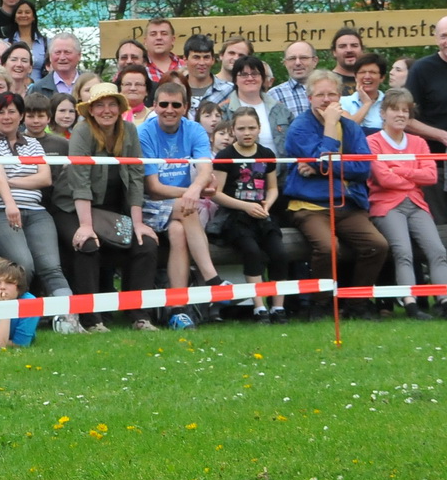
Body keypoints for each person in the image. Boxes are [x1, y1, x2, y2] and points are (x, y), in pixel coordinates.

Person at [51, 82, 159, 332]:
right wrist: (86, 226)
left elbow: (135, 177)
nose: (106, 110)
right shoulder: (82, 131)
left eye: (112, 104)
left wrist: (139, 224)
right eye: (99, 105)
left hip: (112, 210)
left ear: (120, 108)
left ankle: (139, 316)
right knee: (87, 245)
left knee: (146, 244)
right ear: (91, 109)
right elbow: (80, 180)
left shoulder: (130, 130)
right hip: (72, 208)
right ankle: (92, 320)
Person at [282, 70, 387, 302]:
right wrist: (330, 125)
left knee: (377, 245)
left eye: (332, 94)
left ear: (340, 97)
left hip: (347, 205)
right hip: (309, 206)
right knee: (329, 248)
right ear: (310, 98)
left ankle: (356, 303)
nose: (327, 100)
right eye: (320, 94)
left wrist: (321, 168)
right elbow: (325, 162)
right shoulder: (299, 127)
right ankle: (321, 304)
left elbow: (363, 169)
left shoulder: (351, 127)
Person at [0, 92, 75, 311]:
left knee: (51, 266)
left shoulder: (34, 144)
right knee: (23, 264)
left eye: (12, 112)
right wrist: (10, 203)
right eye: (1, 113)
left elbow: (44, 178)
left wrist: (7, 181)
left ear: (21, 116)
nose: (6, 117)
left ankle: (68, 316)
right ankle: (22, 314)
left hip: (35, 211)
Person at [367, 90, 447, 320]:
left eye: (405, 110)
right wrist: (413, 174)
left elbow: (431, 176)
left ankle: (446, 301)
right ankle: (411, 304)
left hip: (416, 203)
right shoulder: (372, 142)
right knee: (403, 251)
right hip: (386, 205)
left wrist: (401, 170)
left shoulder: (419, 142)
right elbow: (383, 179)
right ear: (383, 113)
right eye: (395, 109)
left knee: (438, 249)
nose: (401, 114)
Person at [138, 80, 223, 292]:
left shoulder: (194, 129)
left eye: (176, 105)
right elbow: (153, 187)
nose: (169, 110)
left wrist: (195, 190)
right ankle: (212, 279)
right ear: (155, 106)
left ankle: (177, 306)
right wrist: (193, 192)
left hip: (179, 205)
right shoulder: (144, 133)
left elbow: (205, 168)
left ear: (185, 108)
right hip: (148, 203)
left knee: (178, 232)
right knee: (189, 209)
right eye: (164, 104)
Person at [212, 110, 290, 321]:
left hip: (262, 214)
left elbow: (272, 188)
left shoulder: (266, 154)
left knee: (279, 253)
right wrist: (245, 207)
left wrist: (268, 204)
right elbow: (216, 194)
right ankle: (259, 306)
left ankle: (278, 307)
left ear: (259, 129)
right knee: (252, 251)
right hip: (234, 216)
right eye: (241, 128)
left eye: (251, 128)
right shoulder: (225, 156)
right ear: (233, 130)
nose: (247, 133)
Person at [222, 55, 293, 151]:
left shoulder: (280, 109)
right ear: (235, 79)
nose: (250, 78)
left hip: (279, 165)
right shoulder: (223, 110)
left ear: (262, 78)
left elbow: (296, 141)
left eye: (255, 74)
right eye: (244, 74)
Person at [269, 40, 318, 119]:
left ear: (315, 61)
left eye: (303, 58)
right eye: (292, 58)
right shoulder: (274, 95)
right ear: (285, 63)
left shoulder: (329, 91)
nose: (298, 63)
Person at [182, 35, 233, 106]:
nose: (202, 63)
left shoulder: (229, 90)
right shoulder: (175, 89)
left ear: (213, 60)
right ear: (185, 59)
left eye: (206, 57)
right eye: (196, 57)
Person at [30, 32, 83, 97]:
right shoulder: (38, 89)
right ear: (50, 56)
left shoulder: (91, 84)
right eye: (57, 52)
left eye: (67, 52)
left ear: (79, 55)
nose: (62, 57)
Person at [6, 0, 47, 75]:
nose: (23, 15)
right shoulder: (5, 43)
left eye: (27, 12)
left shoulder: (46, 43)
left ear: (33, 17)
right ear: (14, 17)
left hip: (40, 85)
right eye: (19, 12)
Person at [142, 18, 182, 83]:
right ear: (145, 41)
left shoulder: (185, 66)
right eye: (153, 34)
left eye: (164, 34)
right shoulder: (138, 67)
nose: (159, 38)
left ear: (173, 40)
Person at [329, 26, 365, 91]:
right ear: (334, 52)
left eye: (354, 45)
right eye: (342, 46)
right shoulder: (326, 81)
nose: (349, 50)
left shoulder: (369, 81)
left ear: (362, 50)